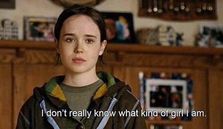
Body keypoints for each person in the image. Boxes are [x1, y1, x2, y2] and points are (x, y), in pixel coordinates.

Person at [16, 4, 147, 129]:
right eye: (69, 39)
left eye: (89, 40)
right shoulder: (33, 107)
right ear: (57, 45)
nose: (79, 49)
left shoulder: (127, 104)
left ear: (102, 47)